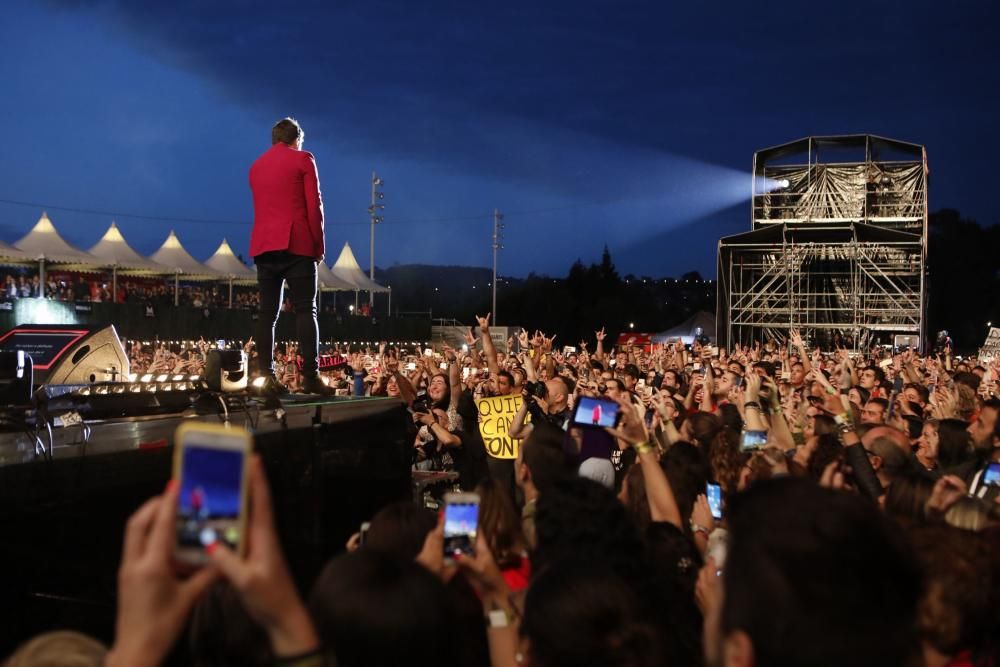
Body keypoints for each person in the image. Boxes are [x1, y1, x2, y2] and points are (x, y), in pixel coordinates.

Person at [249, 117, 332, 396]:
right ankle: (310, 377)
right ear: (297, 140)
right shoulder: (303, 159)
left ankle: (266, 378)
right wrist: (318, 246)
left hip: (264, 246)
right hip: (297, 243)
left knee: (267, 313)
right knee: (305, 309)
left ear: (274, 140)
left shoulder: (255, 168)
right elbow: (314, 205)